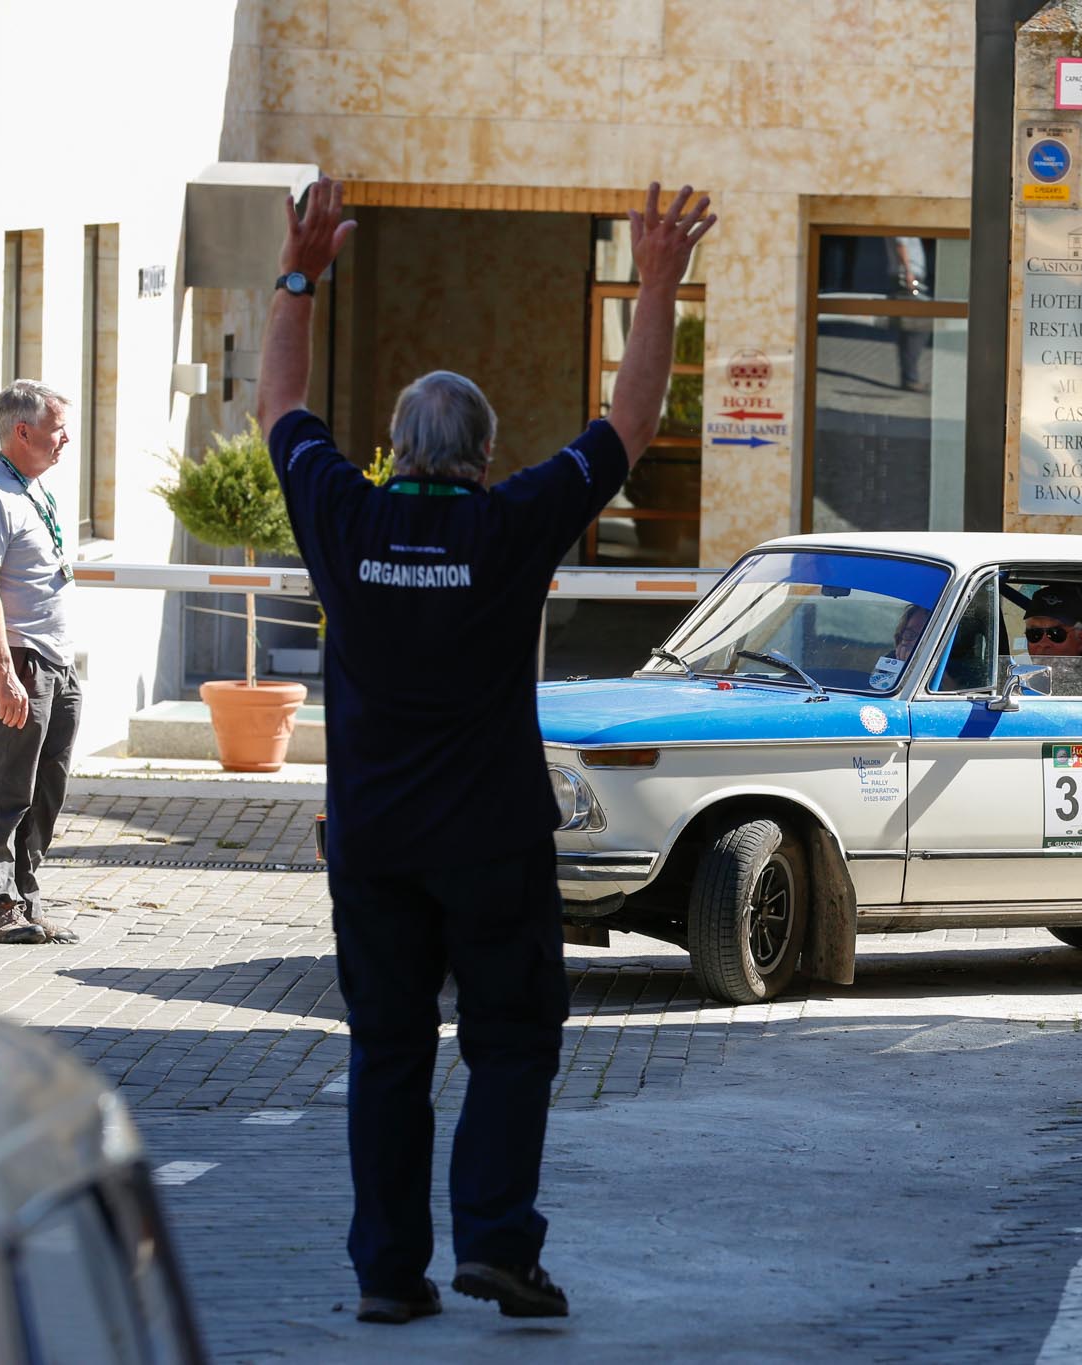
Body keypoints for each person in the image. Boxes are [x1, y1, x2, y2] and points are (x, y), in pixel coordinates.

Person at [256, 176, 714, 1325]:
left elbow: (274, 405)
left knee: (389, 1054)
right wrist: (655, 281)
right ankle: (498, 1250)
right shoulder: (508, 526)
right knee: (512, 1043)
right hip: (493, 847)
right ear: (484, 452)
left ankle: (385, 1276)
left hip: (373, 847)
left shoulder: (342, 515)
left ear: (391, 449)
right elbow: (631, 428)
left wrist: (301, 272)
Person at [0, 380, 83, 947]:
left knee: (47, 786)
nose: (65, 440)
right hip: (19, 661)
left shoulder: (31, 489)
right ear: (23, 432)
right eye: (57, 429)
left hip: (54, 660)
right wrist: (5, 674)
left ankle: (26, 900)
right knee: (9, 785)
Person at [1022, 585, 1082, 658]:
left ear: (1080, 640)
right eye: (1034, 634)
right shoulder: (1014, 668)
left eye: (1056, 634)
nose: (1043, 644)